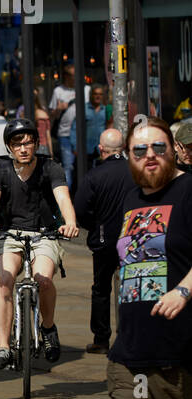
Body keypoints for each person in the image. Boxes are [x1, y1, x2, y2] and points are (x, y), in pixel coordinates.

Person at [50, 117, 192, 399]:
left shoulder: (190, 192)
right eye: (139, 150)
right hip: (132, 351)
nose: (150, 156)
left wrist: (185, 290)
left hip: (182, 350)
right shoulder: (130, 198)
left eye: (158, 147)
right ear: (125, 156)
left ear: (174, 150)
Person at [0, 117, 80, 369]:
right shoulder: (0, 170)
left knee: (44, 279)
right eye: (17, 143)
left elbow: (63, 198)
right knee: (4, 282)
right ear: (9, 147)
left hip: (44, 233)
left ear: (36, 143)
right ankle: (3, 347)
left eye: (28, 142)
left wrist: (70, 222)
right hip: (8, 233)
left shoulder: (50, 168)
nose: (23, 148)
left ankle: (48, 327)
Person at [74, 128, 130, 356]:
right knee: (131, 288)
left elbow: (80, 209)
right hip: (132, 239)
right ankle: (129, 336)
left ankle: (101, 338)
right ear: (124, 148)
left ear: (101, 149)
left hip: (104, 240)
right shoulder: (135, 172)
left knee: (101, 289)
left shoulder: (94, 176)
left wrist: (95, 227)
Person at [50, 66, 78, 187]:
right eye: (73, 76)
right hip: (65, 133)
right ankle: (68, 195)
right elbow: (51, 115)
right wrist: (58, 109)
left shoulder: (85, 89)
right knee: (68, 165)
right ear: (66, 77)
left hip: (81, 133)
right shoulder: (58, 91)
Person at [85, 84, 111, 165]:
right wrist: (75, 147)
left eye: (100, 94)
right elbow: (75, 128)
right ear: (91, 95)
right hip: (87, 148)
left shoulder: (105, 109)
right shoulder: (84, 109)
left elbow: (109, 126)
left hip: (101, 148)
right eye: (96, 94)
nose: (98, 96)